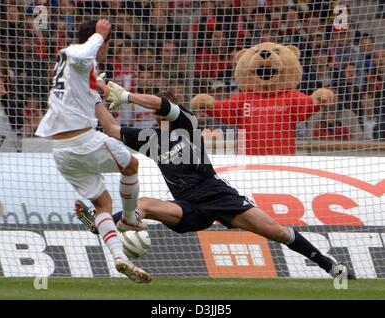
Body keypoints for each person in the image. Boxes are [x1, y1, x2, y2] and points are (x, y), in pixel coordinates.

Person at [76, 80, 349, 279]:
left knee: (276, 231)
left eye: (161, 111)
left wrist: (128, 96)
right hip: (187, 207)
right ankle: (107, 223)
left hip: (218, 195)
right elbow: (111, 129)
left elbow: (162, 104)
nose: (159, 115)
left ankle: (328, 265)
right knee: (144, 202)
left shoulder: (187, 123)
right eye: (157, 114)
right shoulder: (149, 140)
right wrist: (95, 97)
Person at [34, 19, 151, 284]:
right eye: (108, 44)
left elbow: (80, 80)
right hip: (84, 141)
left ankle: (119, 257)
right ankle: (131, 219)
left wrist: (97, 86)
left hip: (62, 152)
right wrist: (100, 34)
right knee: (131, 165)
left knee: (103, 204)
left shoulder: (66, 64)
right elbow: (85, 53)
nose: (108, 49)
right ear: (98, 42)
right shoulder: (78, 51)